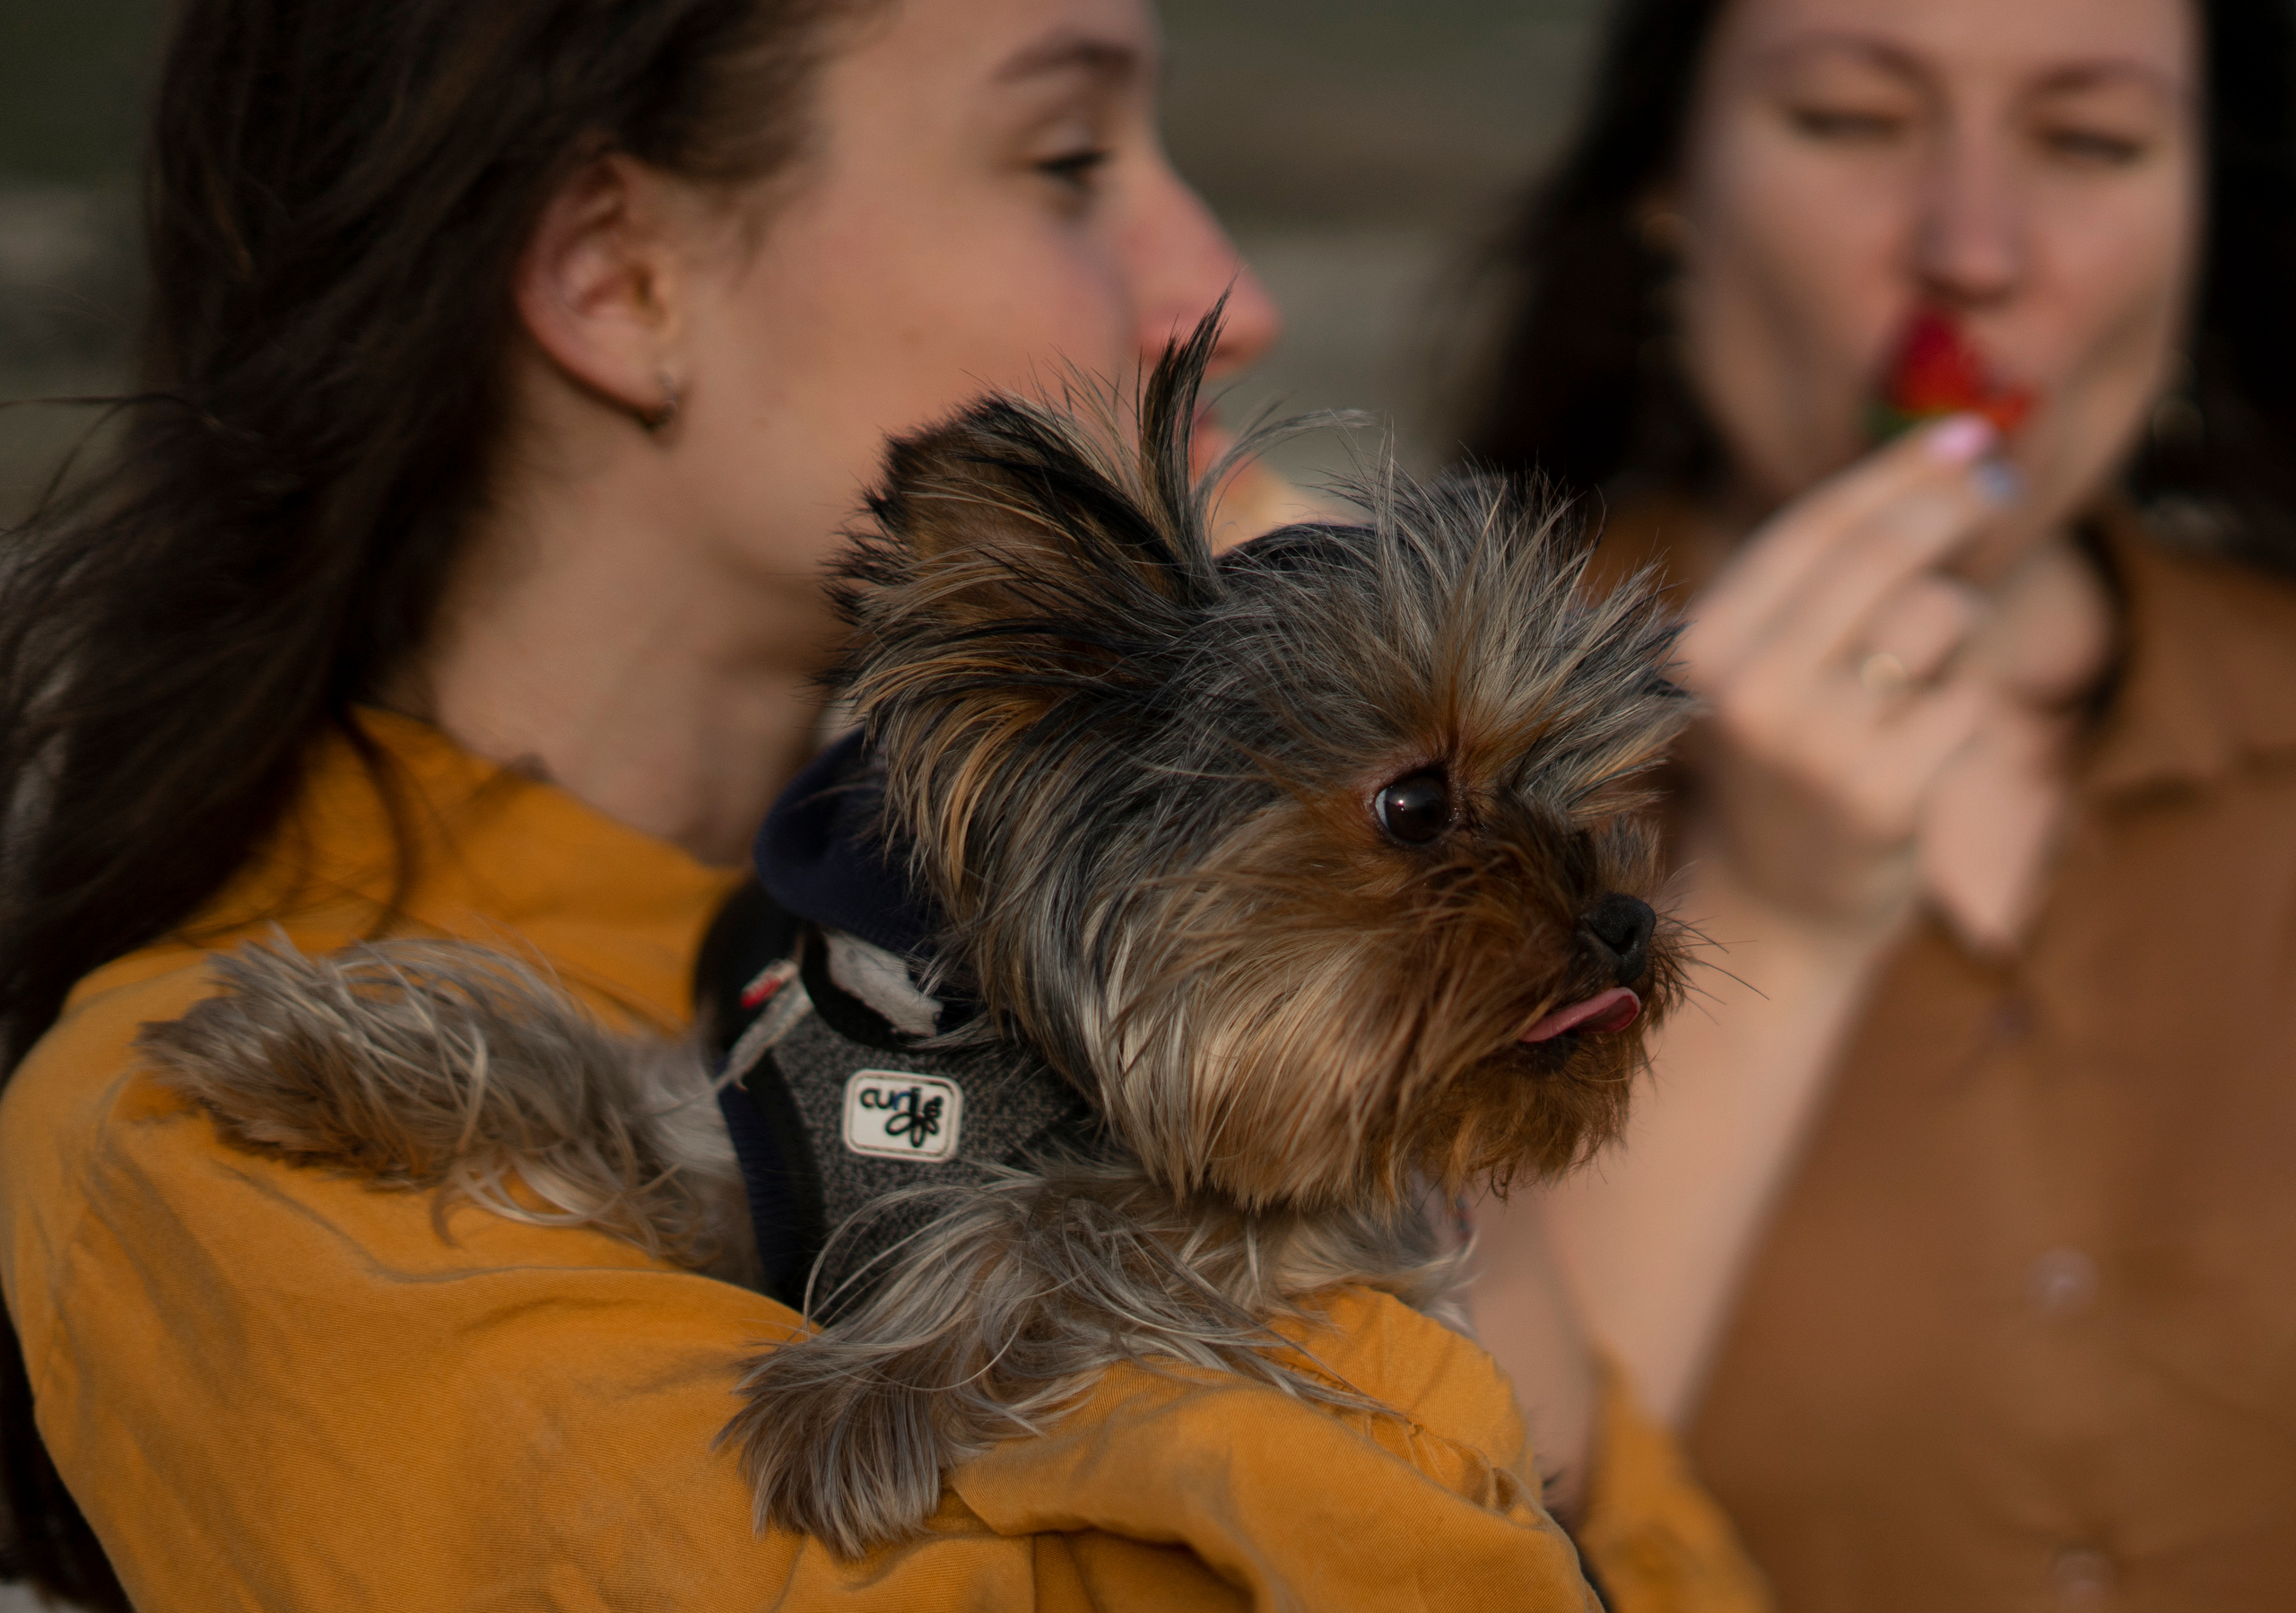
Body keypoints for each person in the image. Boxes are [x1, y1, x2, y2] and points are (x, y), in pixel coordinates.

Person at [0, 0, 1761, 1607]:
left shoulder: (1103, 996)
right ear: (622, 276)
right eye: (1064, 157)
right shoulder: (203, 1138)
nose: (1227, 287)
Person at [1464, 0, 2296, 1607]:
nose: (1971, 250)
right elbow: (1451, 1510)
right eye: (1849, 119)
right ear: (1669, 185)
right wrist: (1776, 906)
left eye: (2091, 141)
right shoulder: (1429, 778)